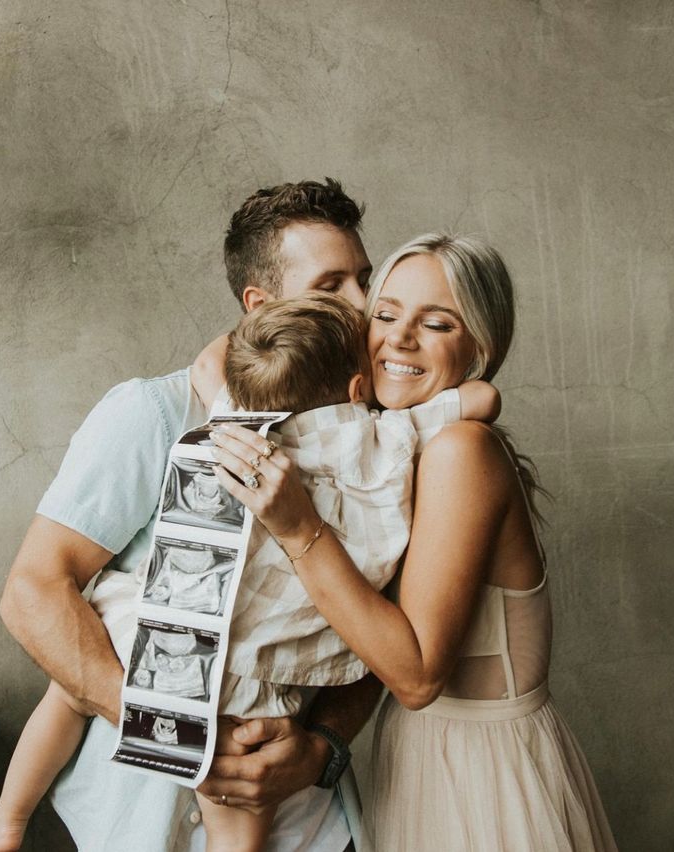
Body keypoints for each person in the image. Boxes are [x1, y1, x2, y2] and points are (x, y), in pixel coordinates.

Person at [0, 179, 382, 852]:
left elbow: (379, 630)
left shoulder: (367, 434)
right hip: (145, 828)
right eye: (334, 284)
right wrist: (172, 728)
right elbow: (32, 593)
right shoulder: (154, 414)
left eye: (365, 280)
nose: (364, 306)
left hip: (312, 830)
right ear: (263, 305)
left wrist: (321, 748)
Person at [209, 234, 619, 851]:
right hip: (419, 757)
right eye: (386, 314)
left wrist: (297, 528)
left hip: (481, 773)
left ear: (480, 345)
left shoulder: (462, 452)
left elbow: (418, 676)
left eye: (436, 323)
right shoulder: (392, 447)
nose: (400, 339)